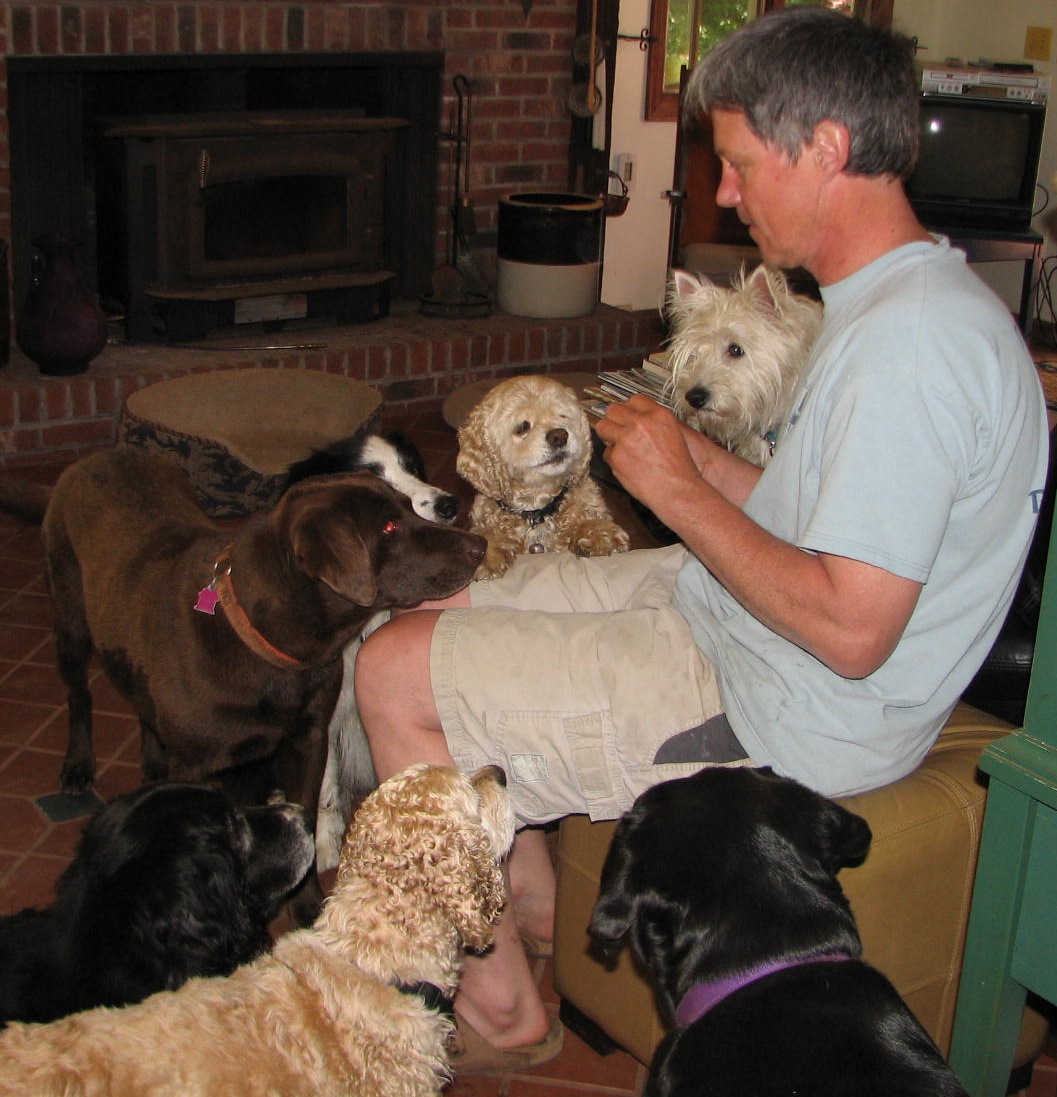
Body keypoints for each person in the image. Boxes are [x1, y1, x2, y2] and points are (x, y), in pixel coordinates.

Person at [354, 7, 1049, 1073]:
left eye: (735, 162)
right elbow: (837, 515)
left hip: (790, 700)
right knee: (432, 607)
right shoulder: (892, 303)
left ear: (823, 147)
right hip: (733, 614)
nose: (723, 192)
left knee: (395, 673)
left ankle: (501, 1012)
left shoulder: (912, 350)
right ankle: (530, 909)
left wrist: (680, 494)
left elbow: (853, 626)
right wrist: (709, 468)